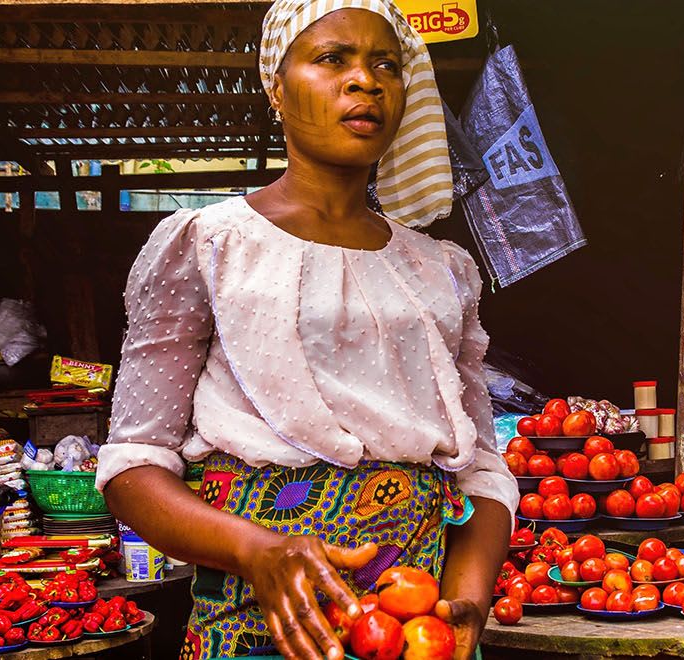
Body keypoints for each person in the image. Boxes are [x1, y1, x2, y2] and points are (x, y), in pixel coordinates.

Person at [97, 2, 518, 658]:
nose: (366, 82)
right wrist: (259, 551)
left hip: (411, 631)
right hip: (258, 628)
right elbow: (134, 466)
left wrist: (463, 604)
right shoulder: (207, 246)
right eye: (332, 59)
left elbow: (483, 472)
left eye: (386, 65)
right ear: (276, 86)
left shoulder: (440, 271)